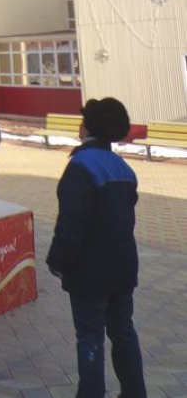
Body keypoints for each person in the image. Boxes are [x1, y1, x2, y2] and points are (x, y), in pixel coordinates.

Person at [46, 97, 147, 398]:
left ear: (87, 126)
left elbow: (72, 223)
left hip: (90, 272)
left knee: (90, 338)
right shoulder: (123, 168)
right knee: (123, 333)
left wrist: (57, 260)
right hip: (123, 268)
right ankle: (134, 392)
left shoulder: (81, 167)